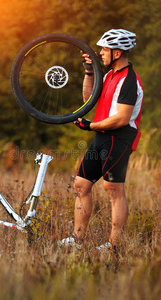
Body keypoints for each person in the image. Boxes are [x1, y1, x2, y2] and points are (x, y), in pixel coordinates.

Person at [60, 29, 143, 250]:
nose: (101, 53)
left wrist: (90, 125)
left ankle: (114, 246)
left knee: (113, 189)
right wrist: (89, 71)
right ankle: (78, 239)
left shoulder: (129, 81)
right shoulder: (108, 76)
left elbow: (122, 118)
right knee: (81, 185)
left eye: (105, 49)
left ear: (117, 53)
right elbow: (88, 100)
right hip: (101, 136)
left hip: (119, 138)